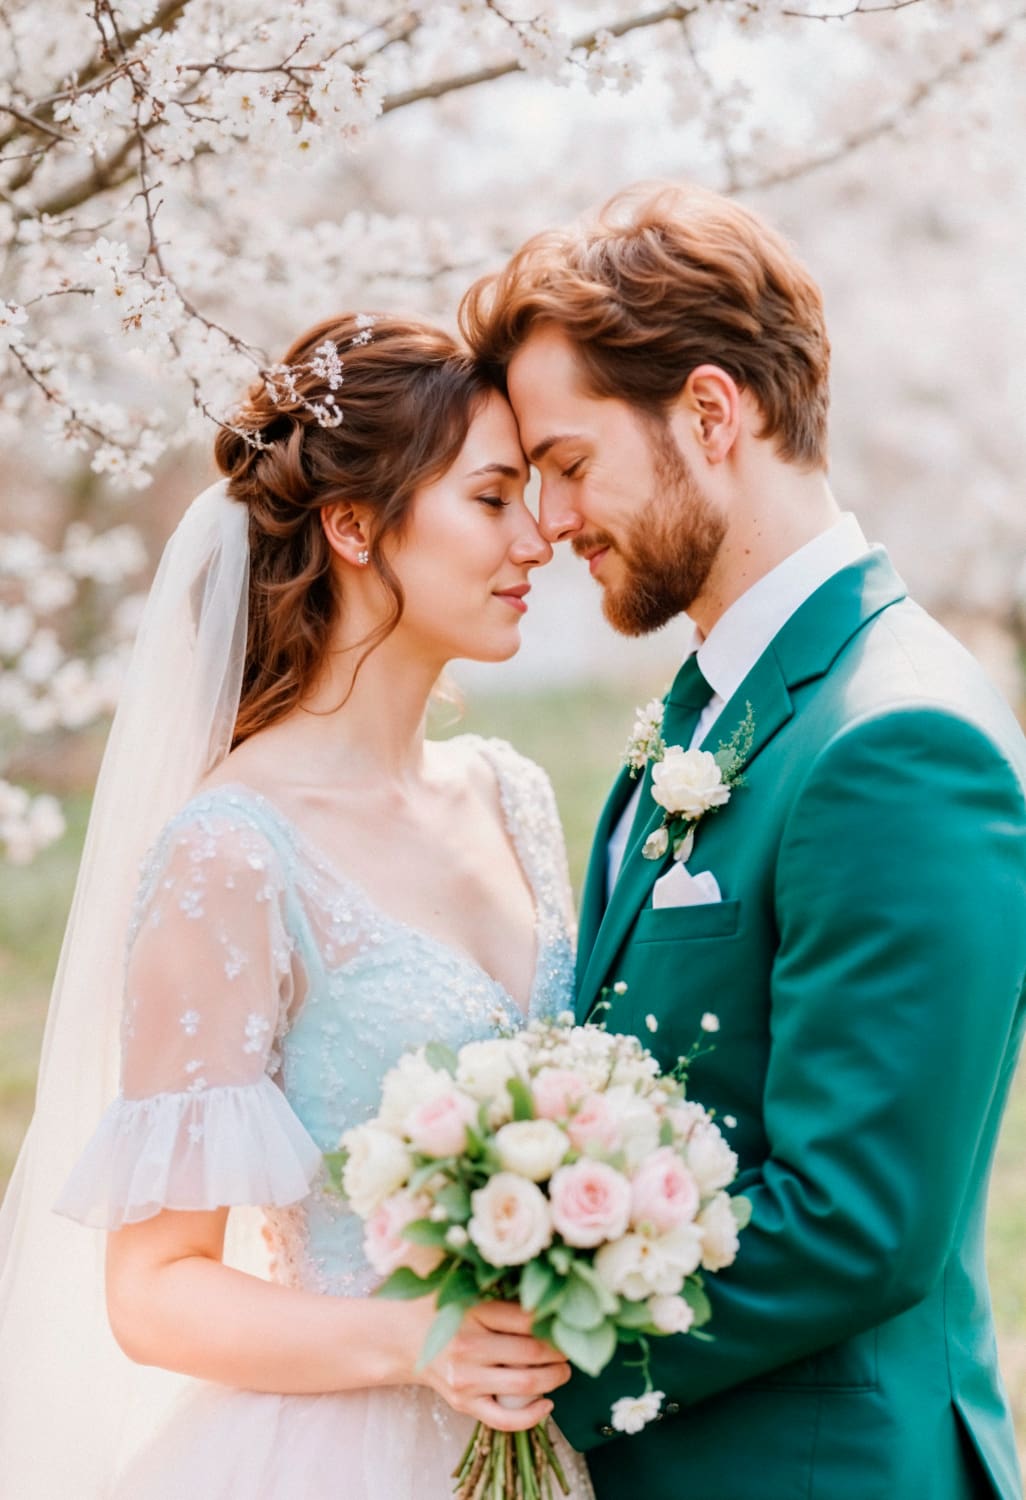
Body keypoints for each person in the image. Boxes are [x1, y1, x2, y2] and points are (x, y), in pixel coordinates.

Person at [460, 182, 1026, 1500]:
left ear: (711, 413)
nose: (548, 522)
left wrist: (537, 1365)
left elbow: (856, 1223)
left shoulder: (894, 741)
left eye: (566, 465)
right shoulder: (711, 708)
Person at [0, 314, 594, 1500]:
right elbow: (155, 1287)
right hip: (332, 1455)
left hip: (538, 1443)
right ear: (353, 525)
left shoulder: (517, 799)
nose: (540, 537)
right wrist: (420, 1344)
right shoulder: (233, 851)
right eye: (491, 500)